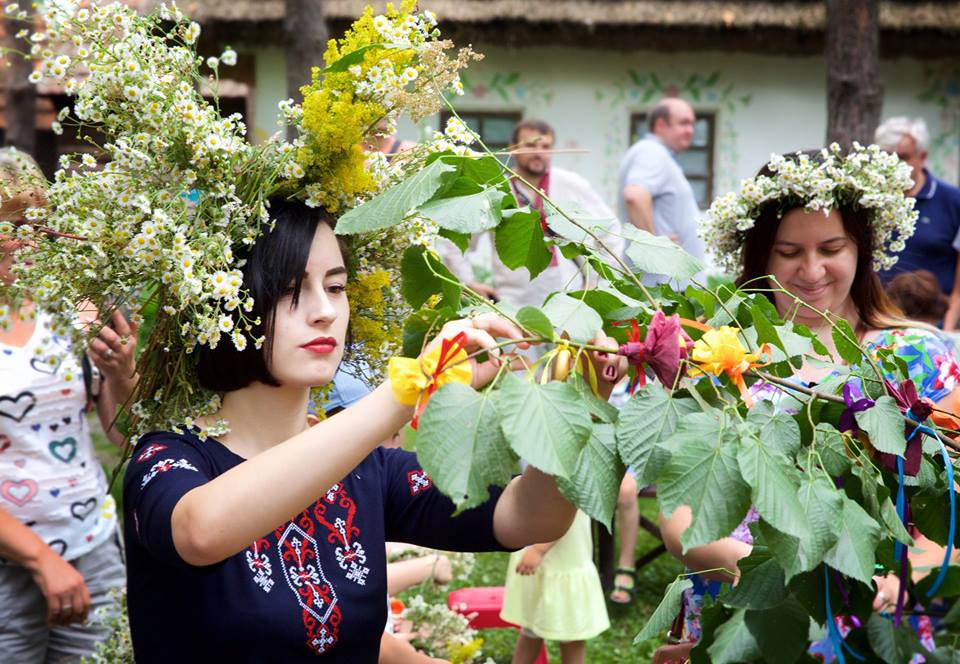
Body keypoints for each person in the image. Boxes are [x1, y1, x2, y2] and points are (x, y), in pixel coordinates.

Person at [122, 198, 627, 662]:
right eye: (290, 290)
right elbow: (201, 531)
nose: (325, 311)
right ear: (229, 301)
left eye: (337, 287)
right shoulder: (166, 459)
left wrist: (574, 401)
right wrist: (408, 389)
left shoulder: (367, 469)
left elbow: (529, 517)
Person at [660, 146, 960, 658]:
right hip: (741, 602)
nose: (812, 269)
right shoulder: (720, 354)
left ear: (860, 249)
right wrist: (792, 586)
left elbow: (951, 502)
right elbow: (681, 515)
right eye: (789, 251)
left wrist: (897, 579)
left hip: (878, 612)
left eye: (831, 247)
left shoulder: (916, 356)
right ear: (761, 256)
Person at [0, 148, 138, 661]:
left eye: (39, 222)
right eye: (13, 222)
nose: (29, 238)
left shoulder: (72, 305)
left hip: (92, 546)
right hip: (10, 567)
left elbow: (123, 436)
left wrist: (121, 374)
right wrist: (40, 559)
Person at [440, 118, 623, 310]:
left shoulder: (570, 184)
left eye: (545, 146)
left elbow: (610, 228)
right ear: (512, 147)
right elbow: (455, 242)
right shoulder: (495, 190)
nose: (538, 153)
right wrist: (468, 283)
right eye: (530, 145)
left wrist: (597, 283)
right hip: (512, 300)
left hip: (568, 294)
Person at [874, 117, 960, 329]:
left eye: (903, 157)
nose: (894, 165)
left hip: (933, 325)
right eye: (887, 157)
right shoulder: (871, 200)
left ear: (922, 157)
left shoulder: (953, 201)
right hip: (878, 322)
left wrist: (947, 331)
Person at [501, 510, 609, 664]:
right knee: (530, 630)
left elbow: (565, 511)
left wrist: (538, 550)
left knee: (571, 638)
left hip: (563, 560)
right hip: (539, 560)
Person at [617, 97, 706, 277]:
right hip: (661, 286)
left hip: (665, 283)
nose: (690, 130)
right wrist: (653, 246)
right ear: (660, 125)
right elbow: (635, 195)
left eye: (692, 124)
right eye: (683, 123)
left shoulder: (657, 153)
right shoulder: (651, 151)